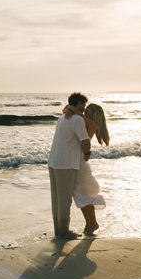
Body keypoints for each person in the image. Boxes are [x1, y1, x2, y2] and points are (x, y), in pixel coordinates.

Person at [48, 92, 91, 240]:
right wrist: (87, 153)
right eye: (83, 104)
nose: (84, 107)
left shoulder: (63, 117)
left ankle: (58, 230)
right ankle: (64, 231)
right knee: (65, 199)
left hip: (53, 161)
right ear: (78, 103)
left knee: (56, 199)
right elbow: (85, 140)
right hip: (65, 163)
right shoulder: (77, 119)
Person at [64, 103, 110, 236]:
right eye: (85, 110)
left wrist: (69, 110)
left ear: (93, 114)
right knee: (82, 196)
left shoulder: (89, 124)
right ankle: (91, 223)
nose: (84, 112)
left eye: (88, 111)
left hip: (80, 164)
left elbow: (83, 141)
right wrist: (69, 109)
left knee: (83, 196)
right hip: (78, 162)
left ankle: (92, 223)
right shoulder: (84, 121)